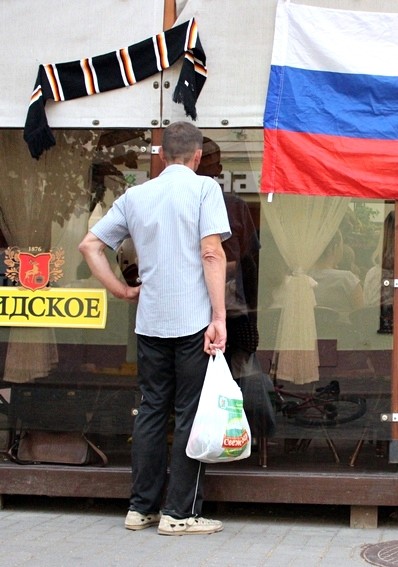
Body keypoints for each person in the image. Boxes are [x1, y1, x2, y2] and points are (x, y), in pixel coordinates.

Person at [78, 121, 231, 536]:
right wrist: (219, 317)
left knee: (150, 411)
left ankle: (140, 508)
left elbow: (90, 246)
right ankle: (178, 514)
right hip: (193, 323)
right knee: (189, 415)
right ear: (198, 156)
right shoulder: (205, 190)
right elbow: (211, 253)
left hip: (151, 323)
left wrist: (122, 291)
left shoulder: (135, 196)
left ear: (162, 155)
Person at [196, 137, 261, 375]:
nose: (203, 162)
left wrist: (251, 314)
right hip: (187, 308)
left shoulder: (234, 206)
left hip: (232, 308)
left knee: (232, 382)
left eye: (210, 158)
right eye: (202, 157)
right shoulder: (172, 202)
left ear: (219, 168)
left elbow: (249, 263)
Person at [309, 230, 364, 315]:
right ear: (334, 248)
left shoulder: (302, 277)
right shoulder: (348, 279)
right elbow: (362, 317)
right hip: (343, 328)